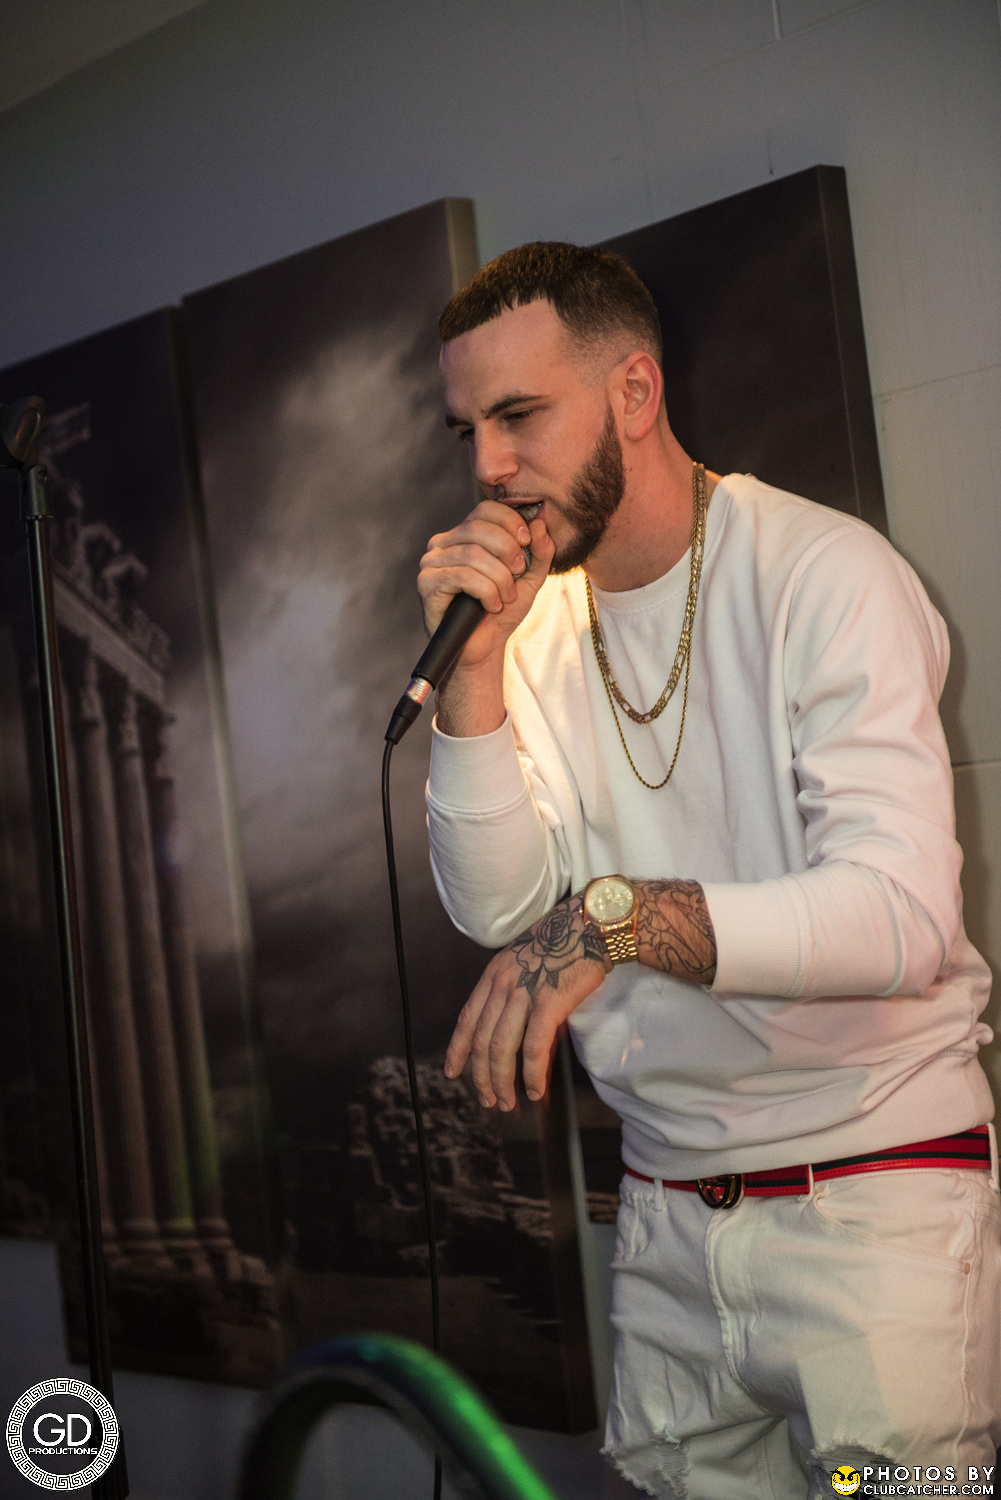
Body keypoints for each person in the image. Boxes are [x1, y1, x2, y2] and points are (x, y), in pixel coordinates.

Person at [416, 241, 1000, 1499]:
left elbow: (899, 916)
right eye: (469, 430)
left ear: (632, 392)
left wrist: (614, 917)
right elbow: (501, 907)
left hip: (874, 1210)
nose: (487, 468)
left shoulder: (822, 574)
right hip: (667, 1216)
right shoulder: (533, 628)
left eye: (519, 416)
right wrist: (470, 678)